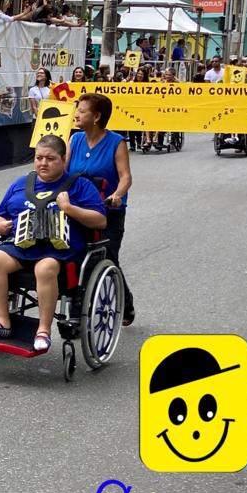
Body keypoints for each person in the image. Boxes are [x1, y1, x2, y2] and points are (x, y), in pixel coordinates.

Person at [0, 135, 107, 352]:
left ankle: (43, 330)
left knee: (45, 267)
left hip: (58, 249)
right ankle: (2, 321)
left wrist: (69, 209)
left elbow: (100, 221)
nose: (43, 163)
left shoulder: (80, 185)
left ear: (63, 160)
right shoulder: (21, 184)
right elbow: (0, 214)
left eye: (50, 159)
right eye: (39, 158)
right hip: (21, 244)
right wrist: (0, 224)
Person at [68, 93, 135, 325]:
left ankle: (125, 304)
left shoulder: (116, 142)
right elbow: (64, 172)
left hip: (109, 211)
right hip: (79, 209)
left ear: (96, 117)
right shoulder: (75, 140)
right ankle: (76, 309)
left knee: (106, 256)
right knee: (75, 256)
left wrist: (117, 195)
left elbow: (126, 177)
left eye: (82, 110)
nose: (76, 114)